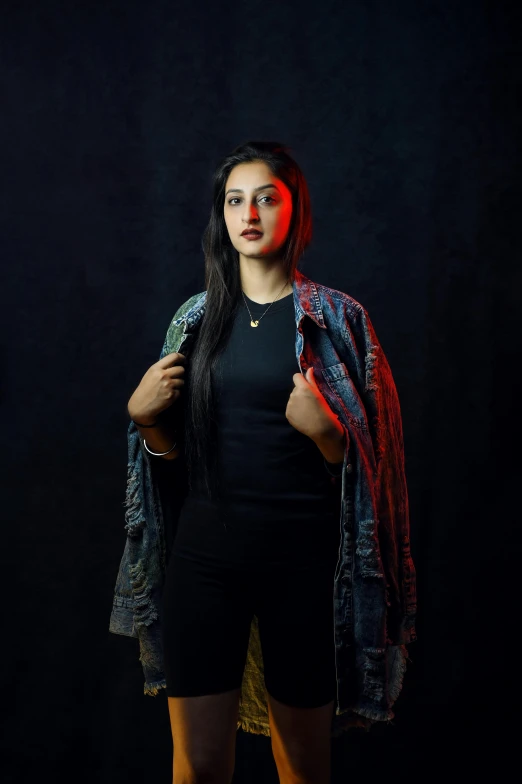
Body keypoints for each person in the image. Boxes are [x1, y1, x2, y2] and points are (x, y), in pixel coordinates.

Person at [113, 140, 417, 784]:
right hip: (204, 567)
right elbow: (173, 471)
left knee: (302, 767)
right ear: (221, 216)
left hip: (302, 572)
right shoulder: (194, 322)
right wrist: (147, 424)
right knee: (196, 767)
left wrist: (330, 435)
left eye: (266, 198)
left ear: (295, 211)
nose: (248, 213)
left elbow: (378, 480)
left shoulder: (339, 321)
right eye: (234, 200)